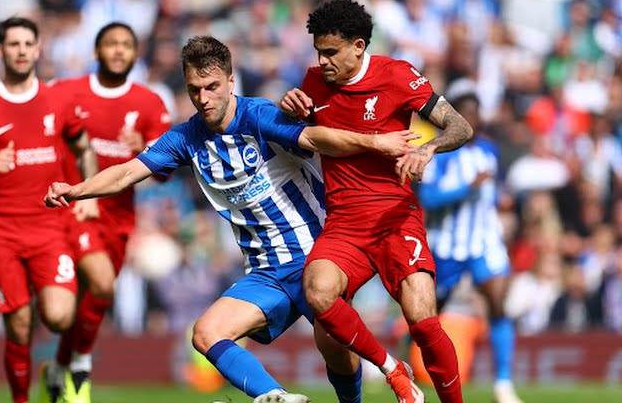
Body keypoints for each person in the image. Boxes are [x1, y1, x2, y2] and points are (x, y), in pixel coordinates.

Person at [45, 36, 424, 403]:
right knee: (206, 333)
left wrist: (376, 142)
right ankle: (278, 398)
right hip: (266, 272)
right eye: (194, 90)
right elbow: (129, 171)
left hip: (316, 257)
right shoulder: (186, 137)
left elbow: (316, 139)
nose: (203, 98)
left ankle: (370, 389)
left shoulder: (259, 116)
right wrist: (77, 190)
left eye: (212, 87)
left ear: (230, 81)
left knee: (335, 350)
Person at [281, 0, 473, 403]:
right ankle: (392, 370)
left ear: (358, 46)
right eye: (318, 52)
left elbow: (460, 126)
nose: (322, 61)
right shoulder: (312, 83)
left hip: (396, 219)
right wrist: (289, 109)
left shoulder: (398, 75)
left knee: (422, 320)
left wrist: (427, 149)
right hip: (344, 224)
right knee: (318, 293)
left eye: (331, 52)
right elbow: (300, 135)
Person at [0, 17, 98, 403]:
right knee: (19, 323)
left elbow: (84, 149)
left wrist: (89, 195)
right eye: (12, 44)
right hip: (0, 230)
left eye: (27, 44)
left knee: (59, 316)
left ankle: (53, 372)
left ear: (38, 49)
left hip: (50, 227)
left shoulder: (59, 101)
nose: (20, 51)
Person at [40, 22, 171, 403]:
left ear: (135, 54)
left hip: (119, 217)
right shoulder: (66, 91)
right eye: (111, 43)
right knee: (100, 284)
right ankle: (80, 369)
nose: (118, 50)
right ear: (96, 51)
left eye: (126, 44)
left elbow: (163, 173)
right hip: (74, 209)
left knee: (87, 300)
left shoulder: (149, 103)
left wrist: (144, 146)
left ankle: (57, 369)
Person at [418, 80, 522, 403]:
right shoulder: (437, 153)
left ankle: (503, 383)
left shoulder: (489, 150)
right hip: (447, 243)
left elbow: (494, 188)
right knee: (426, 314)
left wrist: (502, 198)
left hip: (484, 240)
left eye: (475, 113)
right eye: (465, 113)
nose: (472, 119)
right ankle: (405, 365)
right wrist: (468, 188)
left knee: (498, 303)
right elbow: (427, 198)